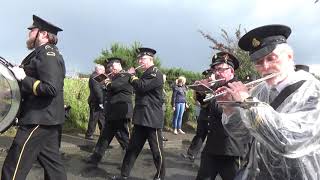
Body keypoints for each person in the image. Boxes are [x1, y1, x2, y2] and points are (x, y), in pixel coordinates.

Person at [219, 24, 320, 179]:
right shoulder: (260, 90)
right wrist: (229, 109)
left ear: (289, 57)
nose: (265, 67)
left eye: (271, 58)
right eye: (259, 62)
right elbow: (244, 135)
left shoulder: (313, 90)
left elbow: (288, 141)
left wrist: (247, 101)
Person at [2, 15, 67, 180]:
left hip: (38, 120)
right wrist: (11, 90)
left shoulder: (48, 55)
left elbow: (51, 88)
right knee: (54, 169)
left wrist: (23, 77)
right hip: (46, 119)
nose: (29, 34)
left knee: (13, 167)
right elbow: (34, 84)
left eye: (32, 31)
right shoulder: (39, 54)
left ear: (43, 34)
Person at [112, 47, 165, 180]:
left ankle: (160, 176)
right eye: (139, 58)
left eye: (142, 59)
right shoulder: (146, 73)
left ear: (150, 59)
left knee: (157, 152)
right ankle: (123, 175)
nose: (139, 61)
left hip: (152, 119)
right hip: (141, 118)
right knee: (132, 149)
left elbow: (142, 86)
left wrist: (131, 76)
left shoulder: (155, 73)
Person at [195, 52, 245, 180]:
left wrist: (213, 95)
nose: (216, 73)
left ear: (231, 71)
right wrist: (201, 92)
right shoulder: (218, 86)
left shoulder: (238, 89)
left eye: (220, 69)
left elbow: (226, 113)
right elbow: (206, 107)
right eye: (215, 69)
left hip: (230, 149)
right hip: (212, 146)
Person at [86, 57, 133, 165]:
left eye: (111, 67)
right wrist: (104, 75)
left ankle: (130, 161)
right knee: (104, 137)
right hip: (112, 112)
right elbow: (97, 79)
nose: (110, 69)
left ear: (117, 65)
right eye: (109, 67)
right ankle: (95, 158)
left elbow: (113, 87)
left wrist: (106, 79)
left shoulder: (125, 75)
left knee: (125, 139)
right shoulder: (115, 76)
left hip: (121, 113)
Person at [181, 69, 212, 161]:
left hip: (213, 114)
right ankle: (191, 154)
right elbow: (199, 101)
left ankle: (209, 158)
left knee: (212, 137)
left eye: (209, 75)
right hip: (204, 112)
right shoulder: (203, 85)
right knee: (199, 134)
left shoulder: (217, 86)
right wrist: (199, 91)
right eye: (206, 76)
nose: (208, 77)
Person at [85, 64, 106, 140]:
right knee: (94, 118)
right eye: (102, 70)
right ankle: (89, 134)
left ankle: (103, 133)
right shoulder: (94, 77)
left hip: (99, 100)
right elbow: (98, 91)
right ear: (98, 70)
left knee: (101, 118)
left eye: (104, 70)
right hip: (95, 101)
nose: (104, 71)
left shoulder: (100, 76)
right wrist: (101, 102)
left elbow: (105, 84)